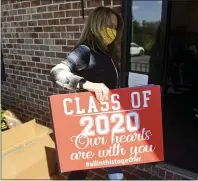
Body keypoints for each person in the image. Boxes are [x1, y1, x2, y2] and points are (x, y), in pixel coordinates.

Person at [50, 7, 124, 180]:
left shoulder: (108, 53)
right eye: (108, 25)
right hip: (88, 123)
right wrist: (87, 84)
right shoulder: (85, 51)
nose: (111, 31)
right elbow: (56, 73)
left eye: (114, 27)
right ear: (96, 24)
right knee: (80, 169)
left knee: (116, 161)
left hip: (109, 119)